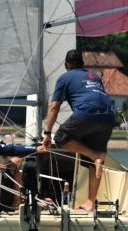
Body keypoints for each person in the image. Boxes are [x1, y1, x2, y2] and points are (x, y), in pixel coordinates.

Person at [42, 49, 115, 213]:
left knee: (61, 138)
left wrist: (47, 133)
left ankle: (94, 156)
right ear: (82, 63)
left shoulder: (64, 77)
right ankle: (90, 203)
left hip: (86, 113)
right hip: (108, 116)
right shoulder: (95, 76)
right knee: (95, 159)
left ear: (66, 64)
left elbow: (54, 106)